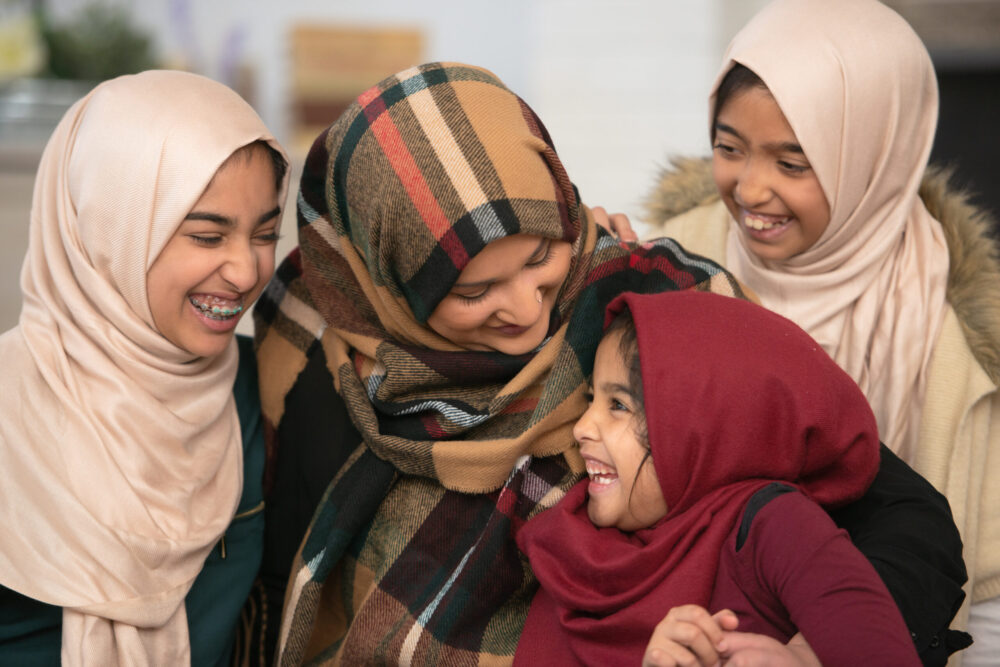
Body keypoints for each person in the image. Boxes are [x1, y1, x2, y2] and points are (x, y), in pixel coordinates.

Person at [251, 61, 964, 666]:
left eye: (541, 257)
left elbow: (906, 521)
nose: (527, 307)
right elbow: (279, 575)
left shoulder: (657, 300)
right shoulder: (318, 362)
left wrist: (807, 649)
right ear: (387, 281)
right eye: (474, 291)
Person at [642, 0, 998, 662]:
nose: (750, 189)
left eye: (793, 162)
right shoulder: (667, 273)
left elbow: (986, 611)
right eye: (728, 149)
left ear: (873, 155)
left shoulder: (962, 336)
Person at [0, 70, 289, 666]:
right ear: (113, 231)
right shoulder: (10, 409)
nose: (244, 271)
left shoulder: (255, 391)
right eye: (207, 236)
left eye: (265, 233)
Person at [516, 290, 921, 666]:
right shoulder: (571, 547)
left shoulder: (775, 526)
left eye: (618, 404)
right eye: (592, 400)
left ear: (702, 425)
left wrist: (801, 661)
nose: (582, 427)